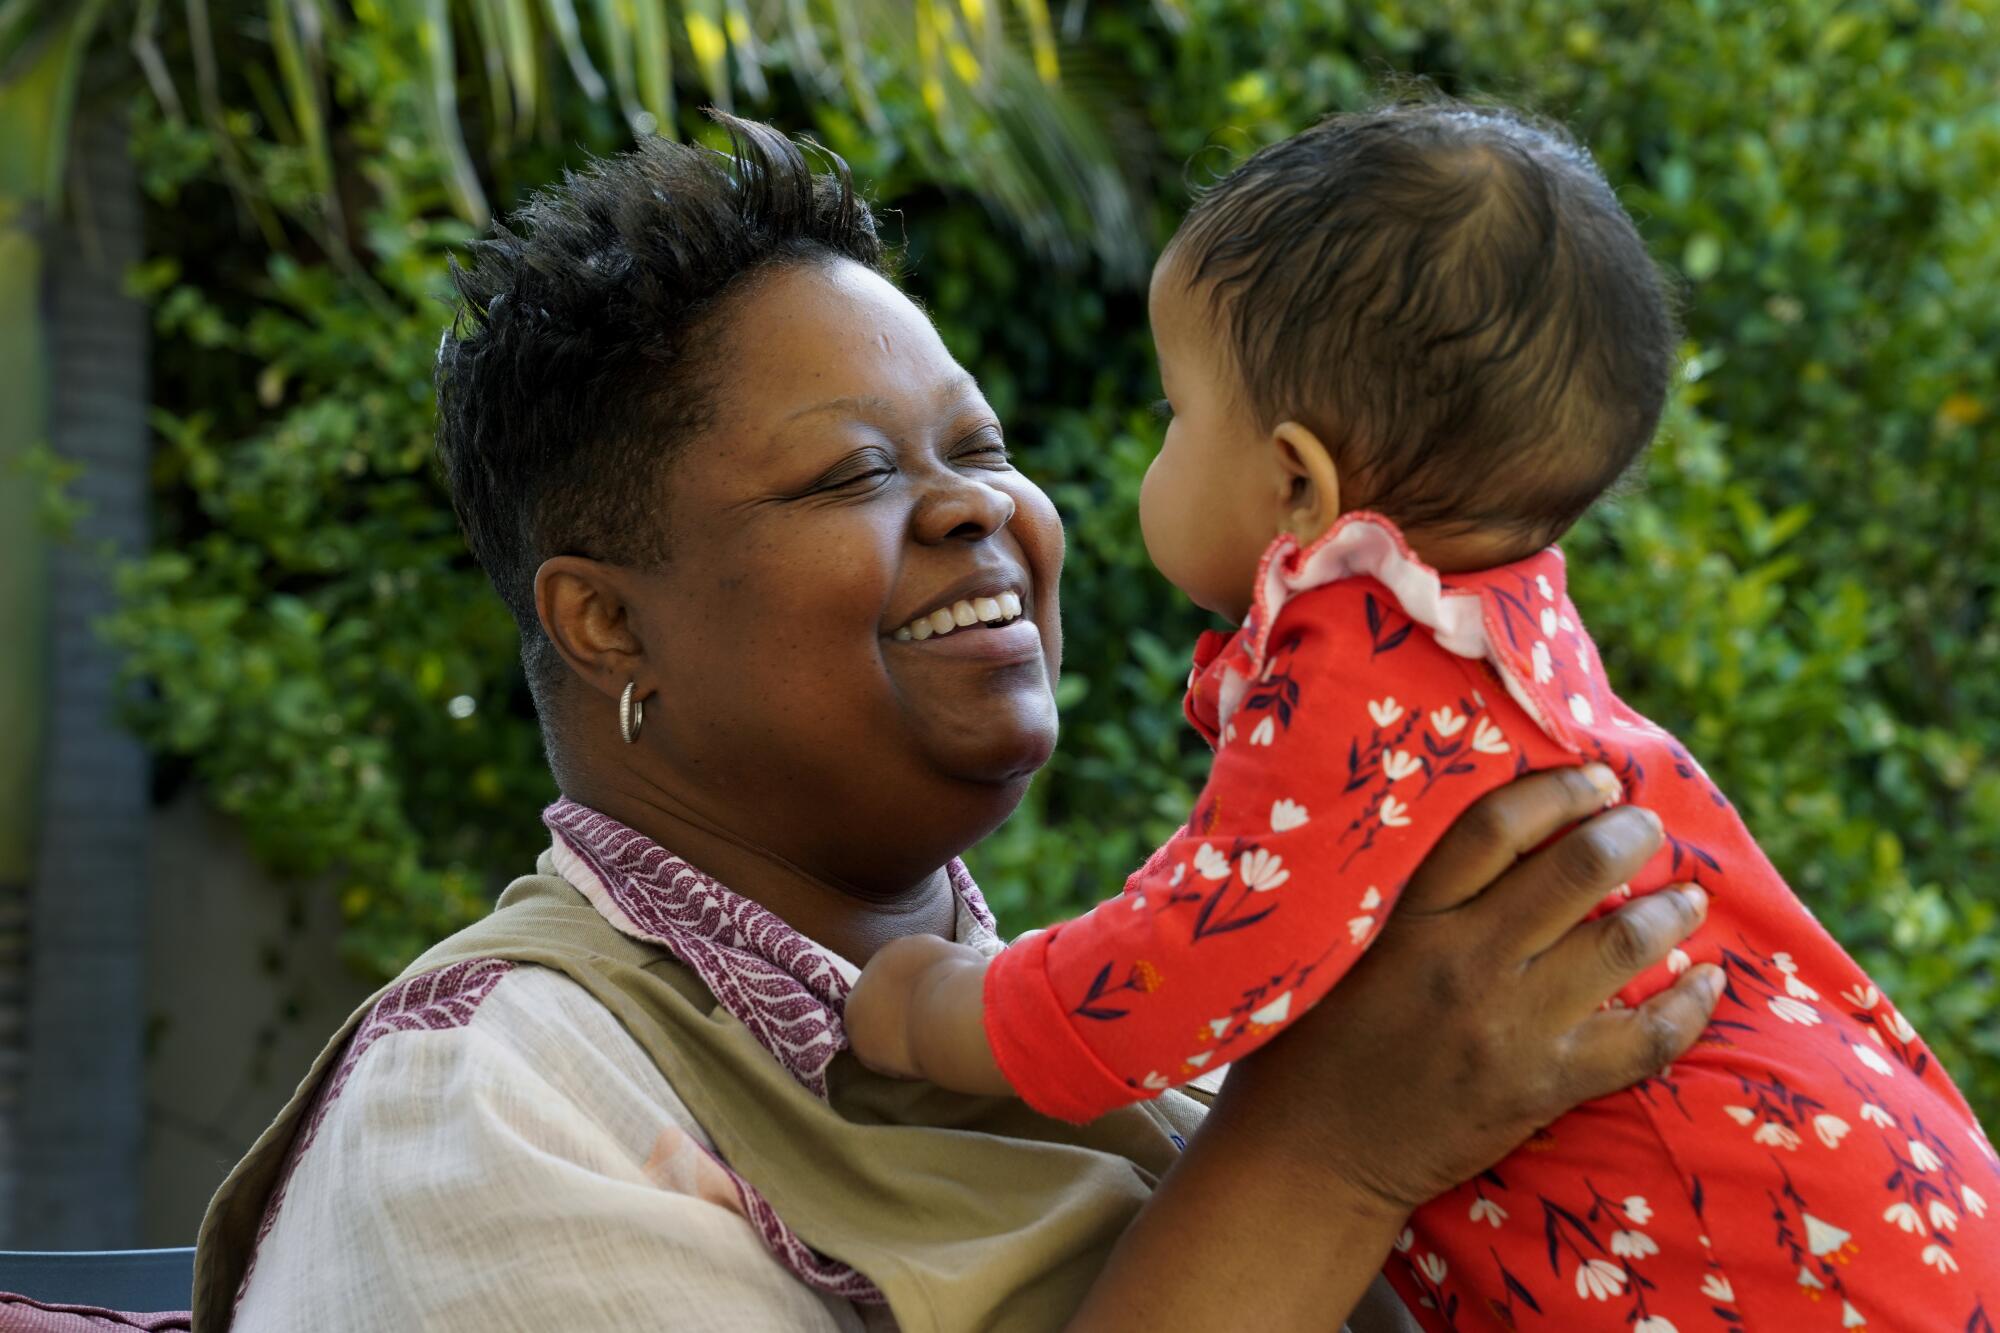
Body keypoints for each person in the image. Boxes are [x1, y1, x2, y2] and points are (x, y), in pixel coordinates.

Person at [187, 116, 1724, 1333]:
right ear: (608, 622)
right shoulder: (494, 1114)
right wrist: (1328, 1160)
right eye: (852, 475)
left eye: (983, 447)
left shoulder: (1163, 1050)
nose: (978, 509)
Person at [842, 100, 2000, 1329]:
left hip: (1768, 1258)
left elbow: (1188, 964)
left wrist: (931, 1010)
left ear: (1297, 481)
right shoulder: (1491, 626)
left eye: (1171, 414)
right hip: (1862, 1206)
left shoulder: (1359, 666)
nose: (1155, 450)